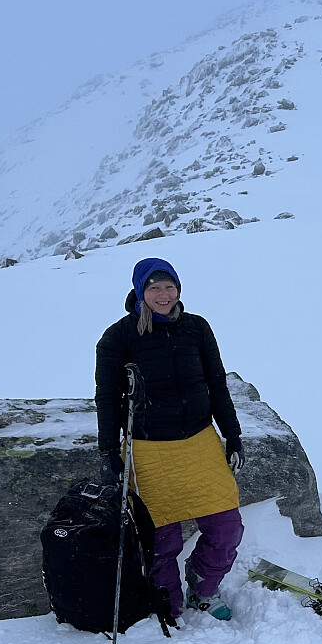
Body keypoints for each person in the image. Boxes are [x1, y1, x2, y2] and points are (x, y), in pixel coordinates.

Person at [95, 256, 245, 622]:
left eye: (170, 287)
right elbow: (107, 398)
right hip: (148, 450)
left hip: (199, 442)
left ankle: (203, 585)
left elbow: (217, 384)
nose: (163, 295)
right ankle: (168, 604)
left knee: (226, 528)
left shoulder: (196, 328)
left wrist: (233, 434)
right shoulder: (118, 337)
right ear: (139, 291)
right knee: (161, 541)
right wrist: (109, 451)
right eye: (154, 288)